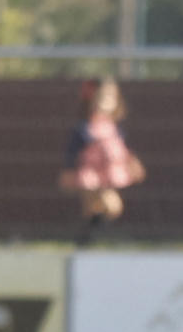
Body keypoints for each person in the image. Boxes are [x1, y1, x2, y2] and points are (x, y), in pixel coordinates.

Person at [58, 77, 144, 245]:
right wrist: (68, 171)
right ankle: (86, 237)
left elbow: (123, 149)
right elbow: (73, 151)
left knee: (111, 208)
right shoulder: (85, 128)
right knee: (96, 204)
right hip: (91, 174)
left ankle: (88, 235)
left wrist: (132, 163)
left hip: (109, 173)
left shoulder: (113, 128)